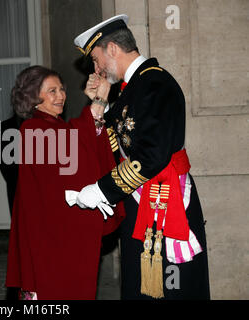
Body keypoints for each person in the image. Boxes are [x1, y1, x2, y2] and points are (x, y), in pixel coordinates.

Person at [70, 14, 210, 299]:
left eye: (96, 60)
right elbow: (121, 144)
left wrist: (102, 190)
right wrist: (101, 103)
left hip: (165, 200)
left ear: (112, 49)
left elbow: (151, 156)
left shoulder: (154, 84)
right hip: (142, 201)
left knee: (171, 289)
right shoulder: (132, 88)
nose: (95, 69)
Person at [5, 65, 125, 300]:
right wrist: (98, 102)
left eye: (61, 89)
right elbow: (74, 145)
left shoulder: (55, 125)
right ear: (33, 98)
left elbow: (77, 140)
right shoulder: (32, 128)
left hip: (60, 234)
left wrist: (95, 106)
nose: (60, 96)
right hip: (48, 239)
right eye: (51, 91)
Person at [0, 113, 24, 215]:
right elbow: (3, 158)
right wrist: (11, 178)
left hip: (36, 180)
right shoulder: (5, 125)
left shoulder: (38, 123)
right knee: (16, 215)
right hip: (14, 179)